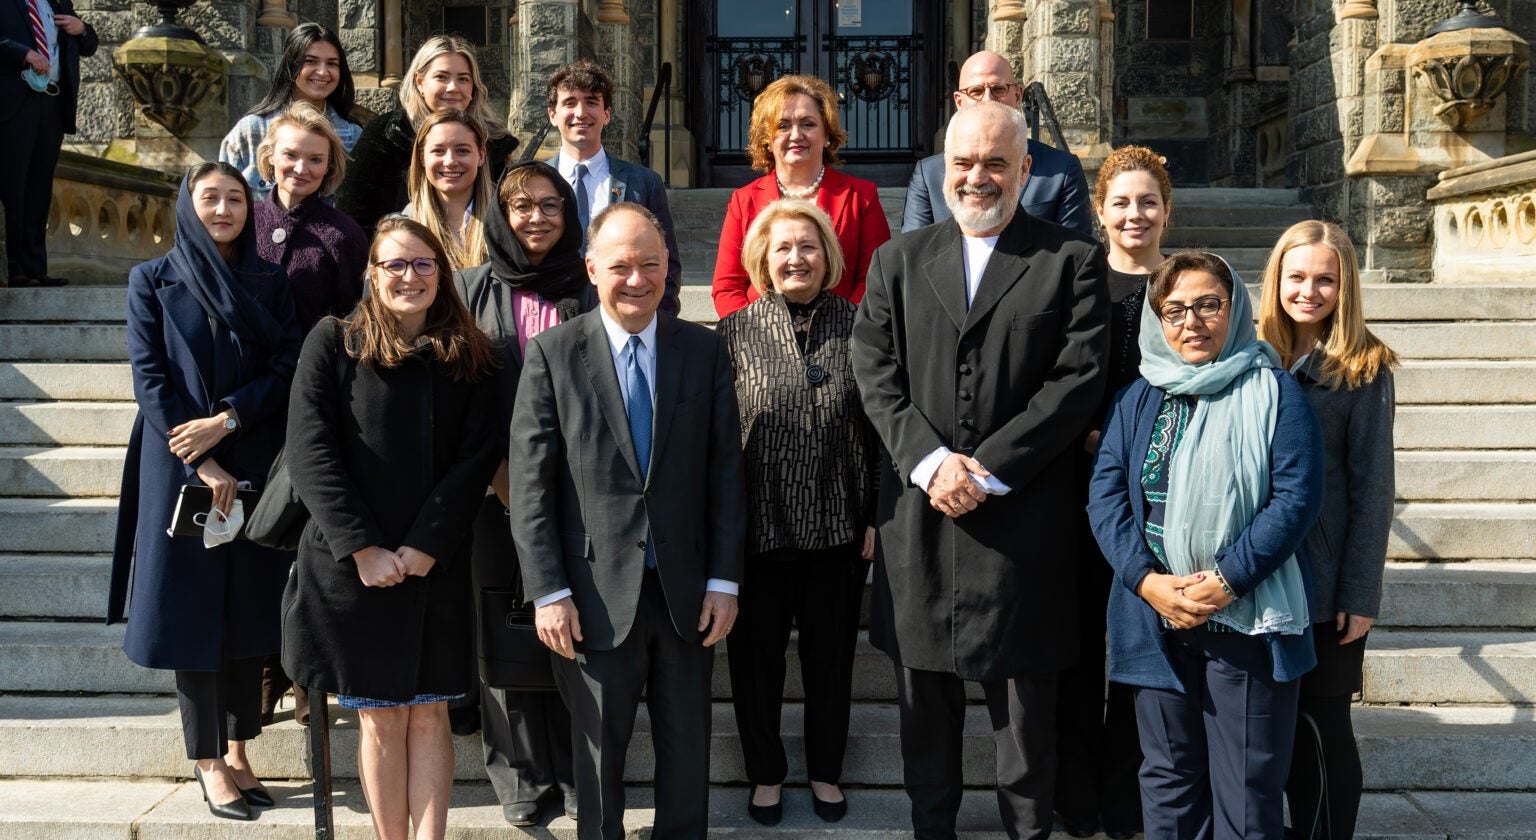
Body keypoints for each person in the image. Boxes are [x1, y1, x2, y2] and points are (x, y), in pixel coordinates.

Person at [850, 101, 1110, 840]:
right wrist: (932, 464)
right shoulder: (895, 261)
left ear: (1026, 169)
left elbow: (1076, 381)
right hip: (921, 523)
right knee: (923, 720)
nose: (978, 177)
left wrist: (988, 469)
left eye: (997, 162)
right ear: (940, 169)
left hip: (1022, 526)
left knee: (1026, 730)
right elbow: (874, 372)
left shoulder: (1070, 261)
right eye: (963, 162)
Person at [508, 203, 746, 839]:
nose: (636, 279)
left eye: (650, 264)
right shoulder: (554, 354)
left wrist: (725, 579)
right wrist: (548, 591)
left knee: (687, 747)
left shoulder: (703, 349)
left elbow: (725, 472)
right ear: (592, 268)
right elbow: (531, 484)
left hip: (686, 591)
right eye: (620, 266)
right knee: (597, 757)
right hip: (589, 594)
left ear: (670, 268)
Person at [1087, 251, 1325, 840]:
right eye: (1174, 310)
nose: (1191, 322)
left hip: (1245, 620)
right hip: (1153, 619)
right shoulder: (1137, 399)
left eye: (1208, 305)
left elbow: (1295, 499)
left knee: (1246, 789)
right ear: (1157, 322)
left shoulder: (1276, 393)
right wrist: (1147, 581)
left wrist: (1224, 582)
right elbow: (1106, 497)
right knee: (1167, 783)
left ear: (1235, 309)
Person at [281, 216, 498, 840]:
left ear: (443, 273)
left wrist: (426, 545)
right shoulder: (333, 341)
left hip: (437, 561)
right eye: (394, 265)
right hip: (353, 568)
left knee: (430, 713)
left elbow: (475, 460)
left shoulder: (474, 353)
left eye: (423, 264)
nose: (409, 276)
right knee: (379, 717)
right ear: (371, 274)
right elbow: (310, 450)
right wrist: (363, 547)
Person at [107, 162, 303, 821]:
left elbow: (288, 365)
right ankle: (209, 761)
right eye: (210, 198)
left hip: (252, 457)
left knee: (250, 608)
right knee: (190, 612)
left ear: (251, 210)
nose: (224, 209)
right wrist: (201, 461)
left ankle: (242, 749)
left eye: (235, 200)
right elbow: (149, 376)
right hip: (178, 465)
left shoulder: (270, 282)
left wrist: (230, 420)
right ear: (187, 206)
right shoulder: (153, 281)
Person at [717, 198, 879, 826]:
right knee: (755, 664)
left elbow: (880, 432)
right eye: (782, 247)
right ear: (762, 258)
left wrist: (873, 516)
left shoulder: (862, 325)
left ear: (828, 257)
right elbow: (717, 442)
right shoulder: (733, 332)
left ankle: (825, 770)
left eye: (808, 247)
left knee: (831, 662)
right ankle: (764, 774)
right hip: (757, 533)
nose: (795, 258)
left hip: (839, 528)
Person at [453, 160, 587, 826]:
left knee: (571, 626)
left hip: (577, 494)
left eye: (549, 205)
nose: (535, 217)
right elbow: (456, 394)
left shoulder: (589, 287)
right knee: (501, 629)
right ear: (499, 216)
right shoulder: (467, 289)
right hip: (492, 490)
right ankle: (519, 776)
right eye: (519, 205)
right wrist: (499, 476)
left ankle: (571, 763)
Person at [1259, 221, 1397, 840]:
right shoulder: (1249, 353)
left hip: (1323, 581)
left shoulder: (1365, 369)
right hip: (1256, 573)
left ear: (1345, 287)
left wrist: (1359, 593)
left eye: (1325, 279)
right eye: (1297, 277)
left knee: (1323, 723)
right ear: (1277, 280)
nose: (1309, 291)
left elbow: (1373, 490)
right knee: (1272, 724)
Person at [1055, 144, 1176, 838]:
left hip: (1158, 504)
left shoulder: (1187, 285)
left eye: (1148, 202)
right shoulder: (1077, 283)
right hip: (1075, 495)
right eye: (1122, 202)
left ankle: (1128, 796)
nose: (1136, 215)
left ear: (1167, 210)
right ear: (1099, 211)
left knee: (1140, 649)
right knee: (1074, 649)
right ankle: (1075, 794)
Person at [711, 74, 890, 318]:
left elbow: (874, 279)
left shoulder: (861, 197)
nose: (796, 135)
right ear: (767, 139)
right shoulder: (744, 201)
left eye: (808, 124)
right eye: (783, 126)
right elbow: (727, 286)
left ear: (827, 135)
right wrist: (752, 335)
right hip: (760, 342)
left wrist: (844, 328)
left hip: (842, 340)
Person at [336, 35, 517, 236]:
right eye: (441, 77)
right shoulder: (387, 133)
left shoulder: (494, 141)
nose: (453, 88)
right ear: (420, 82)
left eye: (463, 79)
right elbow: (352, 213)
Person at [901, 50, 1092, 237]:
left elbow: (1074, 256)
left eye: (998, 89)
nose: (988, 100)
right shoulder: (929, 173)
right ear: (959, 101)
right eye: (975, 91)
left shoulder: (1061, 170)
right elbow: (914, 254)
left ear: (1017, 96)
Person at [545, 59, 681, 314]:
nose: (581, 112)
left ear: (606, 114)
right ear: (553, 115)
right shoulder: (534, 183)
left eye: (591, 102)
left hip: (625, 321)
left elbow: (667, 265)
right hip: (552, 326)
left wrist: (659, 326)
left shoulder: (643, 183)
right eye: (570, 102)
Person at [0, 0, 96, 286]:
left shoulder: (57, 1)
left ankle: (35, 268)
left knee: (39, 188)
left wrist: (82, 30)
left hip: (52, 104)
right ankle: (15, 269)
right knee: (13, 188)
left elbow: (89, 45)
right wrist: (23, 53)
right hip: (14, 104)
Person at [254, 102, 368, 333]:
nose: (301, 168)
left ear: (329, 166)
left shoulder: (344, 235)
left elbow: (352, 323)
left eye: (315, 159)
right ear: (270, 157)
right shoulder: (243, 221)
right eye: (290, 155)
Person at [218, 22, 363, 202]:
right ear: (291, 64)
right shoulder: (250, 131)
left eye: (332, 64)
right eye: (311, 61)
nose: (323, 72)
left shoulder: (355, 137)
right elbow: (222, 200)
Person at [405, 108, 494, 271]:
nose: (450, 161)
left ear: (481, 156)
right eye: (438, 151)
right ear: (422, 157)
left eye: (462, 151)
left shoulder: (508, 221)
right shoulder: (403, 227)